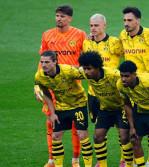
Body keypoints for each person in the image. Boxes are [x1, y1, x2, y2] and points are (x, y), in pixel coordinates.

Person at [34, 4, 87, 167]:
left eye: (62, 16)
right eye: (57, 15)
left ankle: (75, 160)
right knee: (51, 121)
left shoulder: (79, 35)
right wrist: (37, 84)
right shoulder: (47, 35)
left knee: (75, 124)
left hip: (72, 88)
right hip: (51, 86)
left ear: (70, 18)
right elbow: (42, 60)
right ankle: (51, 160)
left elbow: (85, 61)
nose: (59, 18)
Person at [119, 6, 149, 166]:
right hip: (131, 85)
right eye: (124, 20)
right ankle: (129, 161)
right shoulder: (123, 35)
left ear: (138, 20)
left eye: (129, 20)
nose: (126, 23)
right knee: (131, 128)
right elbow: (118, 50)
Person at [35, 50, 93, 167]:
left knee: (82, 135)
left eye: (47, 62)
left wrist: (82, 67)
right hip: (61, 107)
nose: (44, 65)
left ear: (55, 62)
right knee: (56, 136)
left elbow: (88, 74)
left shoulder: (67, 70)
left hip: (78, 105)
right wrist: (52, 113)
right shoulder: (40, 76)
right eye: (42, 62)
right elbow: (46, 93)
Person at [82, 14, 125, 167]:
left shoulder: (114, 42)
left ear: (104, 26)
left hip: (115, 93)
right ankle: (101, 161)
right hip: (95, 94)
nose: (93, 28)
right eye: (91, 25)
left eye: (96, 25)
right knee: (100, 129)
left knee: (122, 129)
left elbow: (128, 58)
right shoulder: (86, 42)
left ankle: (124, 159)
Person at [78, 51, 132, 167]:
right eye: (84, 68)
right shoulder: (85, 73)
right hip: (106, 109)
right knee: (97, 137)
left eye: (89, 69)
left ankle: (128, 163)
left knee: (124, 136)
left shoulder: (114, 75)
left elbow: (132, 82)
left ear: (97, 68)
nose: (86, 72)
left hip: (122, 108)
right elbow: (71, 71)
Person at [117, 60, 149, 167]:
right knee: (135, 139)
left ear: (134, 75)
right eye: (121, 76)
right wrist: (131, 127)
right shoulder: (120, 85)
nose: (123, 79)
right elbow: (127, 104)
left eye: (126, 76)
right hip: (140, 112)